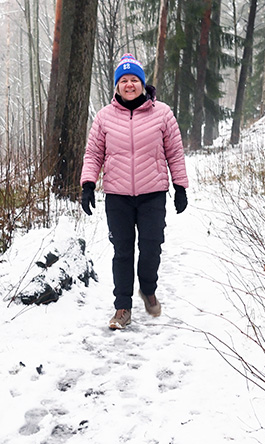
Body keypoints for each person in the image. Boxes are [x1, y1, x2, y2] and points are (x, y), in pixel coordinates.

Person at [80, 53, 189, 330]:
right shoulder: (104, 117)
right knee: (122, 252)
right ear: (117, 86)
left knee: (151, 247)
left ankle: (148, 289)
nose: (129, 85)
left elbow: (175, 152)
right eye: (124, 80)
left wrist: (180, 187)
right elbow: (93, 153)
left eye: (134, 80)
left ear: (142, 83)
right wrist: (88, 185)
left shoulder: (162, 113)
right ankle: (122, 307)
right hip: (117, 196)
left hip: (152, 193)